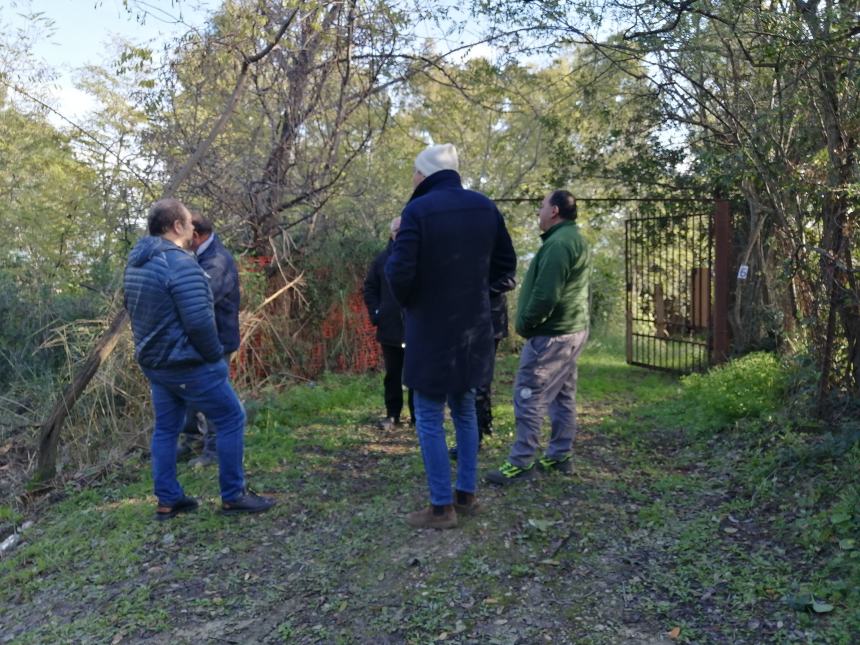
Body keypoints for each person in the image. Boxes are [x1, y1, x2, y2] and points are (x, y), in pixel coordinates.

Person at [385, 143, 517, 529]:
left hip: (430, 328)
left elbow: (399, 273)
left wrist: (415, 303)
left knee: (427, 413)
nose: (412, 179)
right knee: (464, 408)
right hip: (474, 327)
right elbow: (506, 266)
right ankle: (467, 496)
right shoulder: (485, 207)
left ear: (424, 174)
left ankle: (441, 508)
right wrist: (475, 292)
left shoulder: (417, 211)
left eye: (413, 172)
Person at [124, 198, 275, 519]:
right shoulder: (181, 264)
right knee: (232, 417)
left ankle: (168, 499)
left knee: (166, 428)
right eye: (189, 223)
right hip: (188, 364)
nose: (193, 228)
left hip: (155, 363)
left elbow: (135, 313)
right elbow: (199, 322)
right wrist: (212, 360)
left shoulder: (136, 264)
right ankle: (233, 495)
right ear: (177, 226)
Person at [486, 190, 591, 485]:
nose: (538, 212)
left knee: (528, 394)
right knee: (562, 395)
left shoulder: (559, 243)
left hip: (552, 336)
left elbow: (546, 296)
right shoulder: (574, 238)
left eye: (541, 206)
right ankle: (560, 455)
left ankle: (521, 462)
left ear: (554, 210)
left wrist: (526, 325)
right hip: (571, 332)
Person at [178, 213, 241, 467]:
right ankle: (192, 441)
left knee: (213, 395)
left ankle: (214, 451)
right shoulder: (202, 256)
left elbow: (202, 300)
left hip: (218, 341)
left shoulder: (216, 261)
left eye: (184, 235)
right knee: (191, 392)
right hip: (203, 340)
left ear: (195, 235)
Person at [449, 270, 515, 459]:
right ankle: (483, 426)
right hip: (479, 320)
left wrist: (478, 293)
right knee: (480, 378)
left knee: (476, 378)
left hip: (488, 320)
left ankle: (474, 437)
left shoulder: (493, 245)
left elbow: (509, 279)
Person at [363, 216, 414, 429]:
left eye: (403, 229)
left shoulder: (418, 257)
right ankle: (392, 414)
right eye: (396, 229)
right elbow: (370, 288)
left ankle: (417, 417)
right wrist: (378, 313)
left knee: (415, 374)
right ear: (391, 233)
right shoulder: (381, 260)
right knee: (393, 373)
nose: (399, 233)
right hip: (390, 327)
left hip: (415, 327)